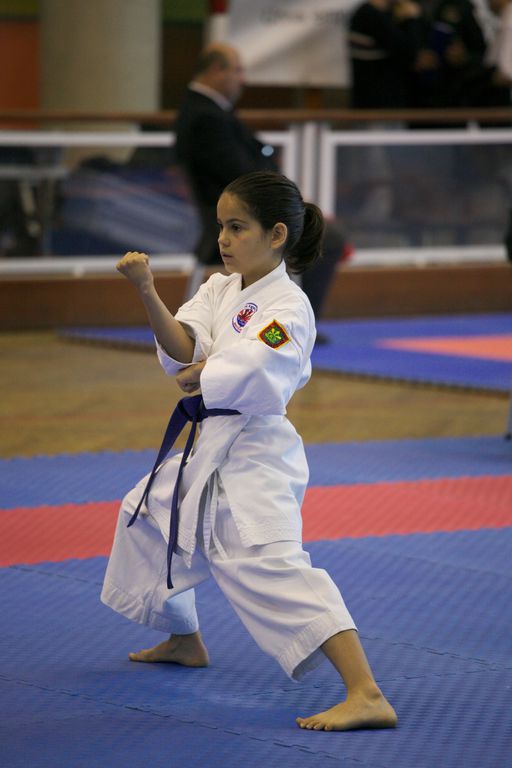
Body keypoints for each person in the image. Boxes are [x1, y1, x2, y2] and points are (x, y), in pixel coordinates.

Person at [101, 171, 397, 732]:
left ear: (276, 234)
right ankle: (185, 639)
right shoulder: (220, 288)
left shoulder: (289, 309)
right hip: (212, 443)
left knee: (270, 565)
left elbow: (262, 362)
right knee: (148, 515)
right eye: (221, 226)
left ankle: (366, 692)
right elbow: (181, 345)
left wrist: (203, 373)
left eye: (237, 227)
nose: (224, 238)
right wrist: (147, 290)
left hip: (257, 451)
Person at [174, 42, 345, 325]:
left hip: (247, 214)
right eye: (238, 71)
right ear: (217, 70)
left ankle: (288, 320)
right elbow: (243, 177)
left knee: (323, 229)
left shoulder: (211, 111)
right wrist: (291, 207)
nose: (243, 79)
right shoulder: (206, 117)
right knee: (329, 237)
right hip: (244, 219)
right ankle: (297, 323)